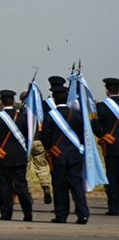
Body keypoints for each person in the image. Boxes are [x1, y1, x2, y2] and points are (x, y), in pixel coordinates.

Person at [40, 84, 89, 224]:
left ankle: (61, 215)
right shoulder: (77, 115)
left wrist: (51, 148)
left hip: (58, 155)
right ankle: (83, 214)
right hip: (74, 155)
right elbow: (82, 135)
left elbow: (45, 137)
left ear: (54, 99)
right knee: (77, 186)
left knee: (60, 186)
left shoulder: (50, 116)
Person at [0, 89, 33, 221]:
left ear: (1, 102)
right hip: (20, 156)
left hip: (3, 156)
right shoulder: (22, 117)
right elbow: (27, 136)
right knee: (22, 185)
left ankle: (6, 213)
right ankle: (28, 213)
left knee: (5, 186)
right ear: (13, 102)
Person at [94, 77, 119, 216]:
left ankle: (114, 208)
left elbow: (95, 126)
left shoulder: (102, 107)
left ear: (107, 90)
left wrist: (103, 136)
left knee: (113, 178)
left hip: (111, 146)